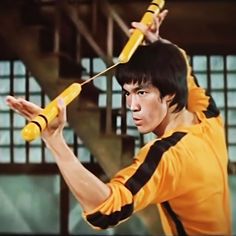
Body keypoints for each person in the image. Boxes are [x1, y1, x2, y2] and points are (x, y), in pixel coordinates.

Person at [6, 10, 232, 236]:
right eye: (127, 93)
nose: (132, 105)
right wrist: (157, 43)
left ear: (170, 93)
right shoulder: (209, 118)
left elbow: (105, 209)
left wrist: (55, 141)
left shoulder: (166, 157)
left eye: (142, 92)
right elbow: (184, 71)